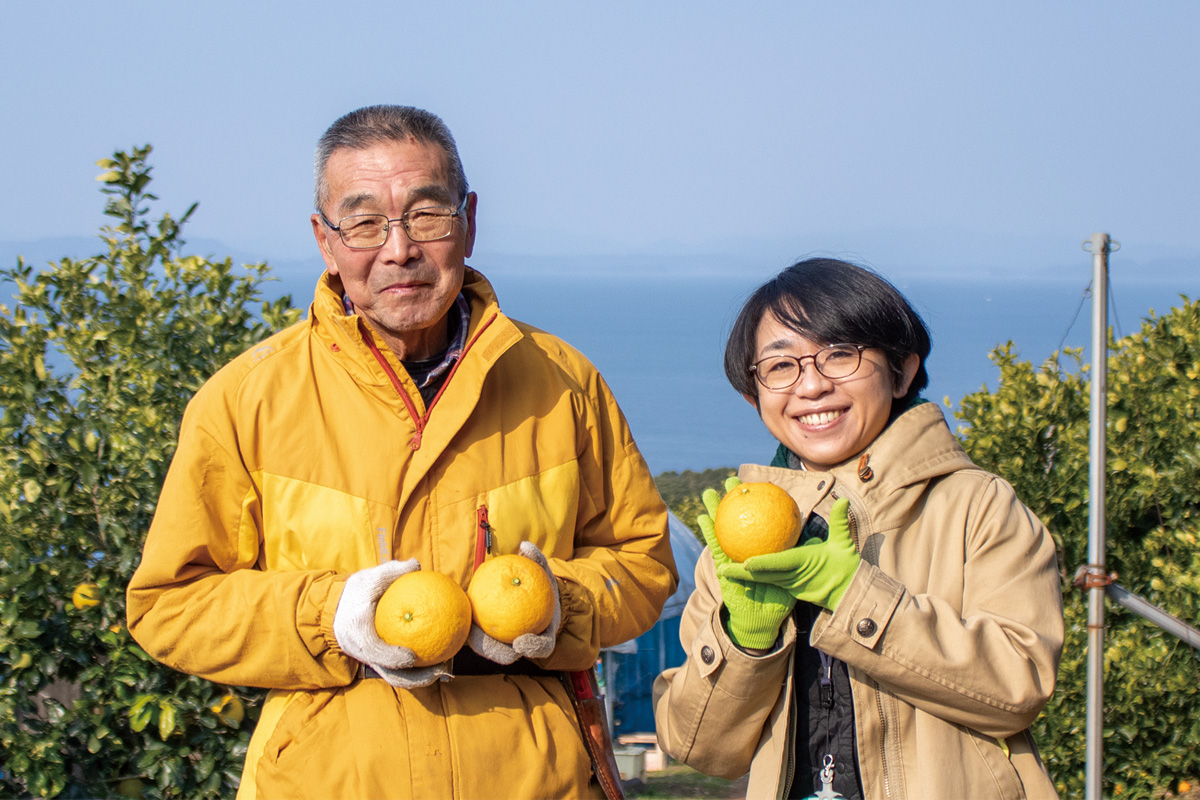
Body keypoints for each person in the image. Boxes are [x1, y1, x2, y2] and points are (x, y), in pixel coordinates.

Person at [127, 104, 677, 800]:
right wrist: (332, 617)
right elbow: (170, 605)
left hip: (538, 779)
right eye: (364, 223)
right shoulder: (246, 400)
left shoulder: (562, 382)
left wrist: (558, 606)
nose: (399, 249)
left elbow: (643, 564)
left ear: (468, 220)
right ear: (325, 241)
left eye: (426, 215)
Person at [653, 258, 1063, 799]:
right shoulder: (737, 537)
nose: (812, 385)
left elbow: (1019, 686)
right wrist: (744, 641)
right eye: (781, 366)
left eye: (840, 354)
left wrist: (854, 596)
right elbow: (701, 749)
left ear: (902, 371)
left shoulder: (975, 505)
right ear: (754, 395)